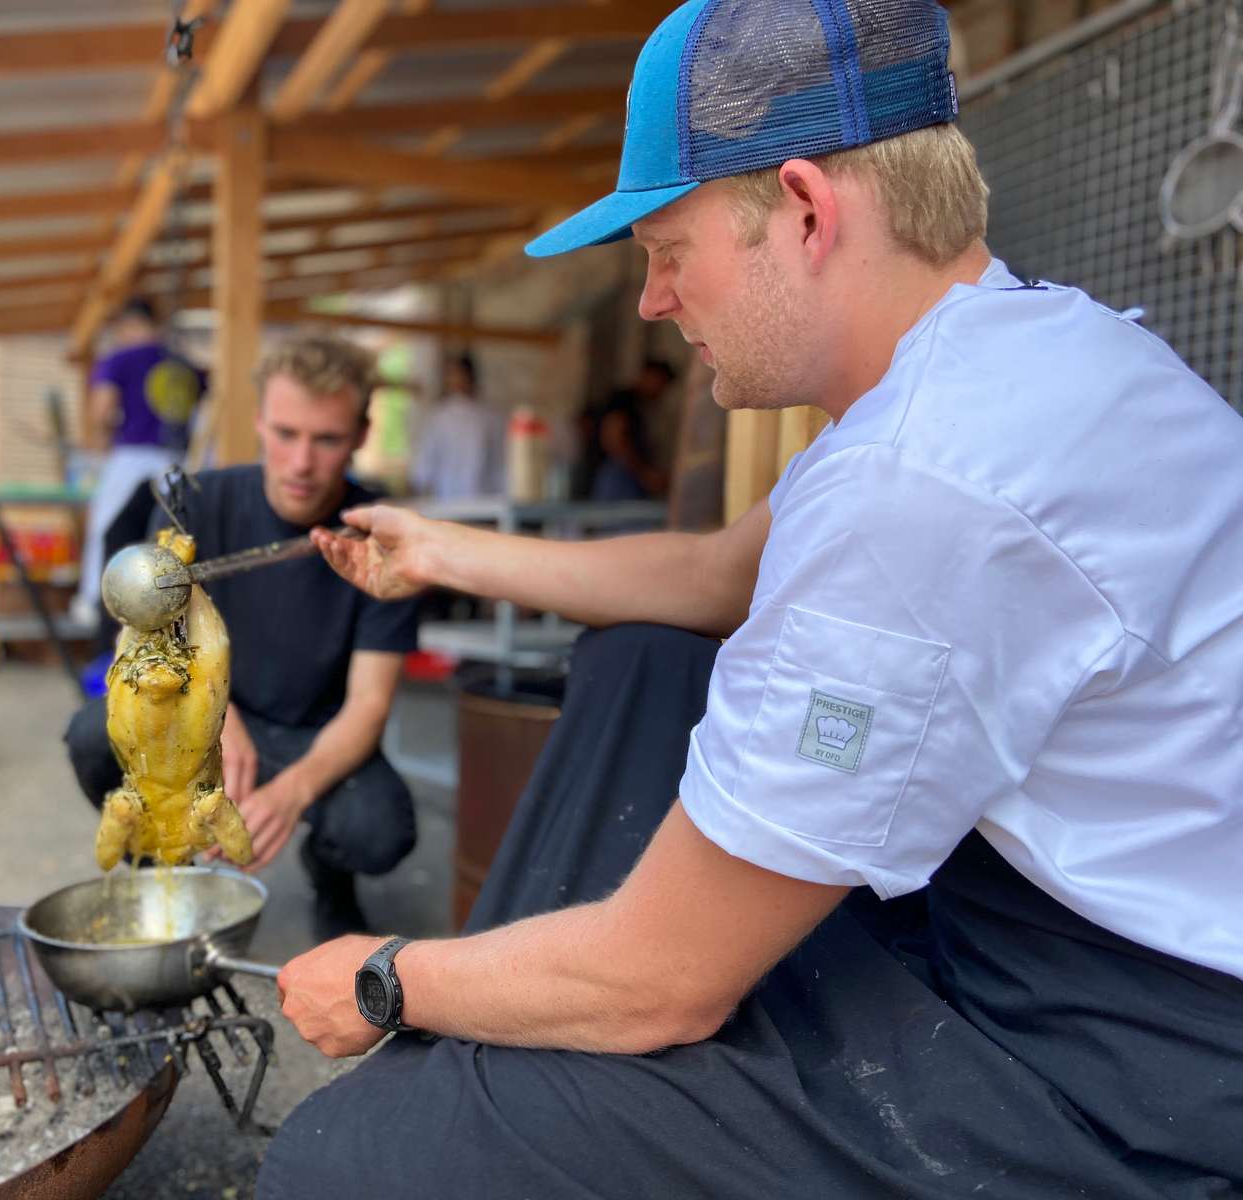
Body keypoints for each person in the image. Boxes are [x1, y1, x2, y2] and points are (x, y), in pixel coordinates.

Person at [256, 2, 1243, 1196]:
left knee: (345, 1163)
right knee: (646, 657)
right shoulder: (1012, 355)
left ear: (807, 212)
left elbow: (667, 980)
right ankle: (514, 1052)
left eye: (670, 252)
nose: (652, 305)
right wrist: (438, 550)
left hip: (1131, 1067)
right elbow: (715, 579)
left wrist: (385, 976)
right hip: (1037, 917)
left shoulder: (919, 483)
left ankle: (489, 1074)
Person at [63, 335, 421, 939]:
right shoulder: (196, 504)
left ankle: (330, 874)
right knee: (93, 736)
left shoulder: (381, 535)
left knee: (379, 828)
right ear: (258, 422)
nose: (301, 462)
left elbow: (370, 705)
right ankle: (154, 863)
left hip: (315, 729)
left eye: (326, 439)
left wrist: (291, 793)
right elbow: (150, 641)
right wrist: (219, 721)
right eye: (285, 434)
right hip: (208, 709)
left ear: (361, 434)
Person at [68, 298, 206, 627]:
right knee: (174, 535)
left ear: (128, 325)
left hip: (131, 456)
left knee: (108, 527)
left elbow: (102, 409)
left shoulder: (119, 359)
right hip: (177, 461)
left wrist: (102, 438)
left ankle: (94, 602)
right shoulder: (185, 365)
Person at [579, 358, 676, 500]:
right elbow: (613, 438)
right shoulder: (624, 400)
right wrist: (644, 473)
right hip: (618, 475)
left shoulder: (642, 405)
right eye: (660, 382)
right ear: (649, 376)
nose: (661, 390)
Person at [409, 353, 503, 499]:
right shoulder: (438, 417)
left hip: (480, 499)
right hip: (447, 499)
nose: (455, 380)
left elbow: (499, 465)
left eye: (458, 375)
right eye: (451, 375)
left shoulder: (489, 418)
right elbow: (425, 465)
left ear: (470, 377)